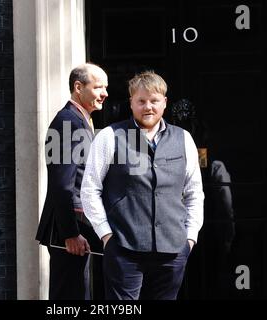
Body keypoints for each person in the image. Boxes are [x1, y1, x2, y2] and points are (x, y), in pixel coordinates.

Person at [80, 71, 204, 300]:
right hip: (124, 247)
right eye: (141, 101)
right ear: (131, 103)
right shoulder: (109, 136)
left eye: (154, 101)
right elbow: (90, 189)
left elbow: (194, 191)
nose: (148, 107)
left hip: (173, 248)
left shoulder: (183, 138)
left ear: (164, 103)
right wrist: (106, 236)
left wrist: (190, 237)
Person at [35, 63, 109, 300]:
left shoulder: (79, 120)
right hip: (69, 229)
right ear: (78, 87)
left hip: (77, 225)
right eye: (98, 87)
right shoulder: (69, 122)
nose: (105, 93)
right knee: (70, 296)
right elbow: (62, 183)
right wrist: (70, 233)